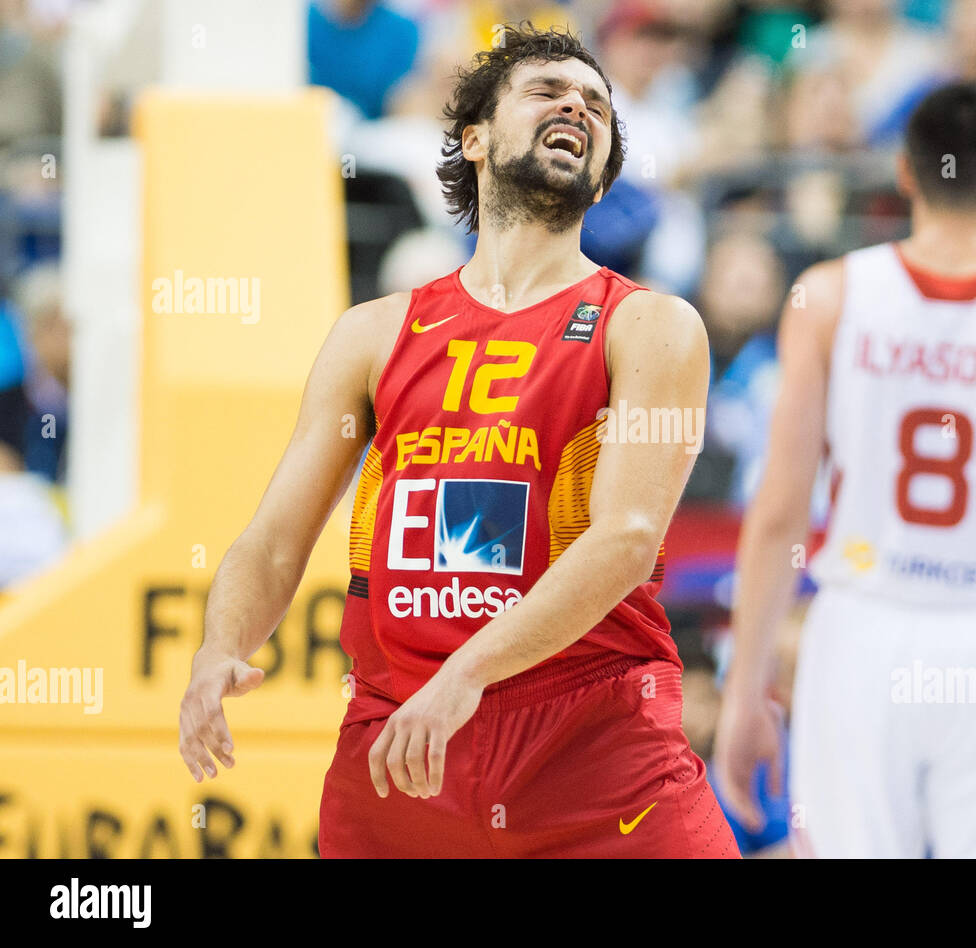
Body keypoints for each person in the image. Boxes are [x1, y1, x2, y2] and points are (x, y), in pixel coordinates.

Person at [179, 23, 738, 859]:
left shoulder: (650, 324)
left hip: (593, 748)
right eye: (548, 92)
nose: (577, 108)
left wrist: (465, 675)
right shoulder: (375, 333)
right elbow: (272, 541)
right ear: (474, 137)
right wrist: (219, 649)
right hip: (402, 747)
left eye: (597, 105)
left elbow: (624, 540)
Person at [715, 80, 976, 858]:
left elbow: (778, 514)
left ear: (904, 174)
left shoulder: (828, 297)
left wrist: (746, 688)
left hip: (865, 631)